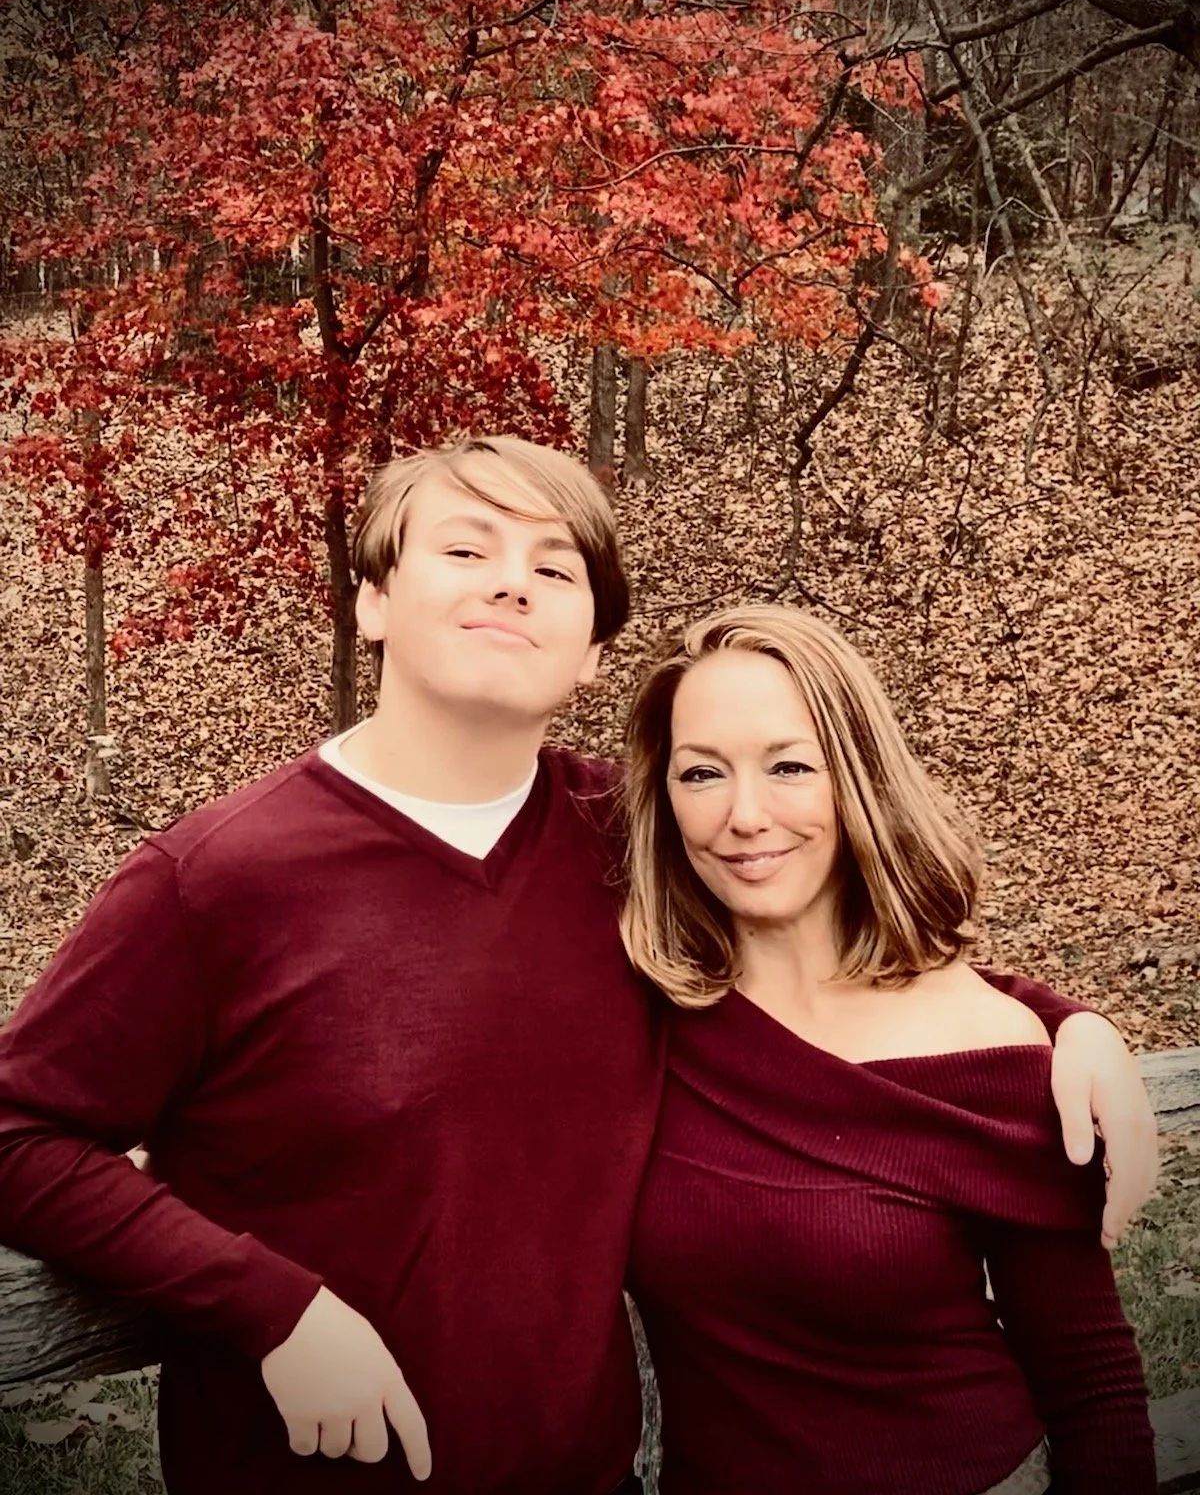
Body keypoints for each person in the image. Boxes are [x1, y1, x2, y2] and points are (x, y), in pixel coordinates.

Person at [0, 439, 1156, 1495]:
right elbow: (18, 1133)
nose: (512, 583)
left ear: (595, 646)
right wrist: (273, 1305)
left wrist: (1064, 1024)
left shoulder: (636, 840)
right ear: (372, 599)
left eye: (554, 568)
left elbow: (822, 929)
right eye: (466, 549)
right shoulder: (213, 879)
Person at [619, 603, 1157, 1495]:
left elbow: (1092, 1382)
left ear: (857, 777)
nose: (744, 815)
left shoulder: (991, 1050)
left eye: (790, 766)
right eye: (702, 773)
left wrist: (1079, 1024)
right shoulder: (641, 1016)